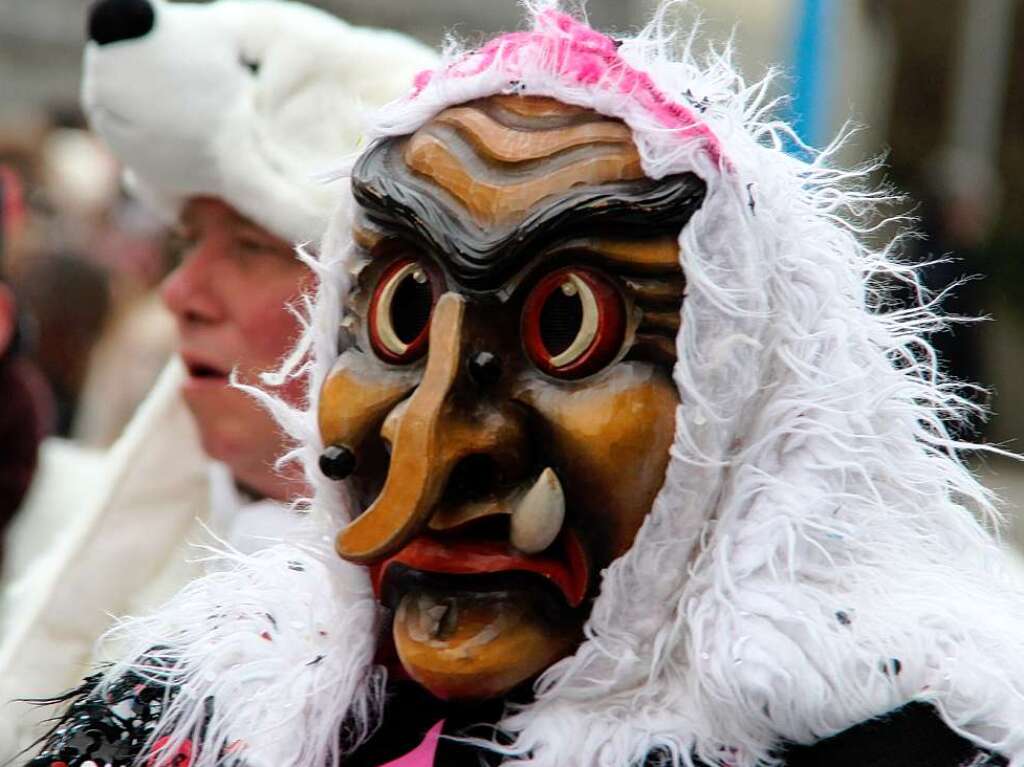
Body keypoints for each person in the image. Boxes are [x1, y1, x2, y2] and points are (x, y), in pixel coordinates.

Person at [22, 5, 1024, 767]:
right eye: (401, 315)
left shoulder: (899, 734)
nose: (435, 442)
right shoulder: (212, 703)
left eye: (568, 327)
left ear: (740, 397)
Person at [0, 0, 436, 756]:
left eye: (248, 245)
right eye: (188, 239)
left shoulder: (454, 658)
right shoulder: (65, 518)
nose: (180, 292)